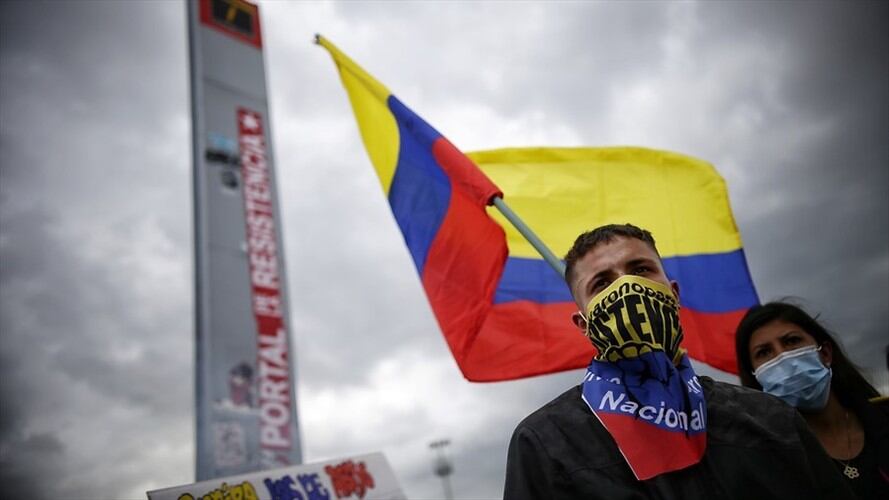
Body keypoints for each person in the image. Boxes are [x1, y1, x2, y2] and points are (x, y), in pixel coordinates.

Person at [504, 223, 854, 499]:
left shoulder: (769, 418)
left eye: (640, 269)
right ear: (583, 324)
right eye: (601, 284)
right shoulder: (546, 444)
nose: (627, 288)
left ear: (674, 293)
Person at [735, 301, 889, 499]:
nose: (783, 357)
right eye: (764, 352)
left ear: (825, 353)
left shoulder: (883, 417)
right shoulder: (765, 466)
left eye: (791, 341)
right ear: (755, 376)